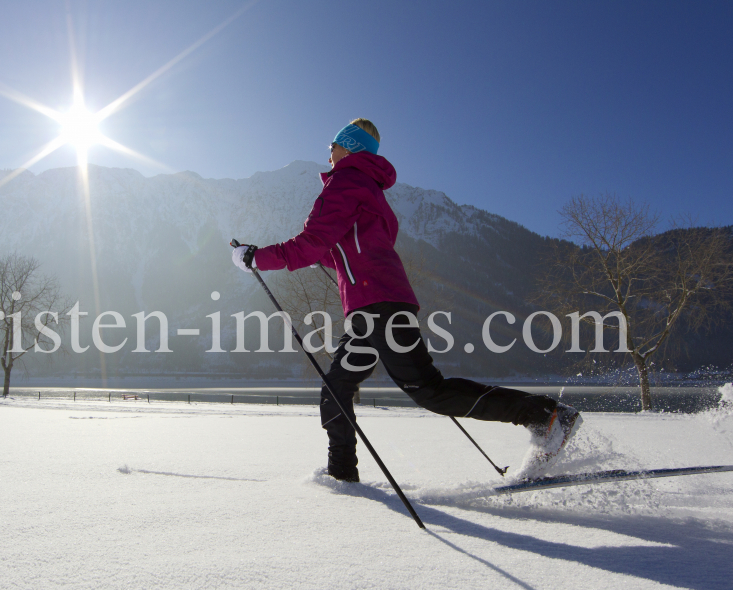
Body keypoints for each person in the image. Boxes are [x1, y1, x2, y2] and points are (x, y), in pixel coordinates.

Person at [232, 118, 581, 482]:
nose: (328, 153)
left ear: (347, 146)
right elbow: (339, 250)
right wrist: (282, 256)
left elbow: (315, 241)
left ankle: (546, 416)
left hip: (379, 306)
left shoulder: (346, 180)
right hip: (370, 310)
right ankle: (341, 475)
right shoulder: (368, 188)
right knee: (337, 387)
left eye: (331, 145)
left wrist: (257, 258)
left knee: (429, 390)